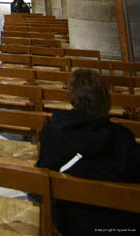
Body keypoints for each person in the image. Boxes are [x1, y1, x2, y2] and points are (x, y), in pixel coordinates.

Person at [37, 68, 140, 235]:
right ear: (105, 98)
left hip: (64, 219)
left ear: (73, 97)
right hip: (116, 225)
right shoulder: (121, 138)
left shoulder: (53, 129)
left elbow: (43, 169)